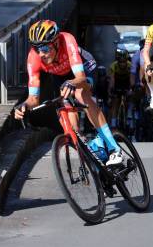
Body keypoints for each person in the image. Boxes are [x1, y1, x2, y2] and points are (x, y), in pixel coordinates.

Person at [14, 20, 123, 166]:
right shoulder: (34, 58)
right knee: (69, 123)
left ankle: (113, 147)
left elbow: (80, 78)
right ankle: (91, 153)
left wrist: (73, 83)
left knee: (80, 95)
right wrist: (24, 106)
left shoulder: (67, 40)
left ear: (56, 42)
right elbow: (33, 98)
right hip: (60, 77)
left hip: (83, 68)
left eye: (45, 48)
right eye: (36, 48)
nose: (41, 54)